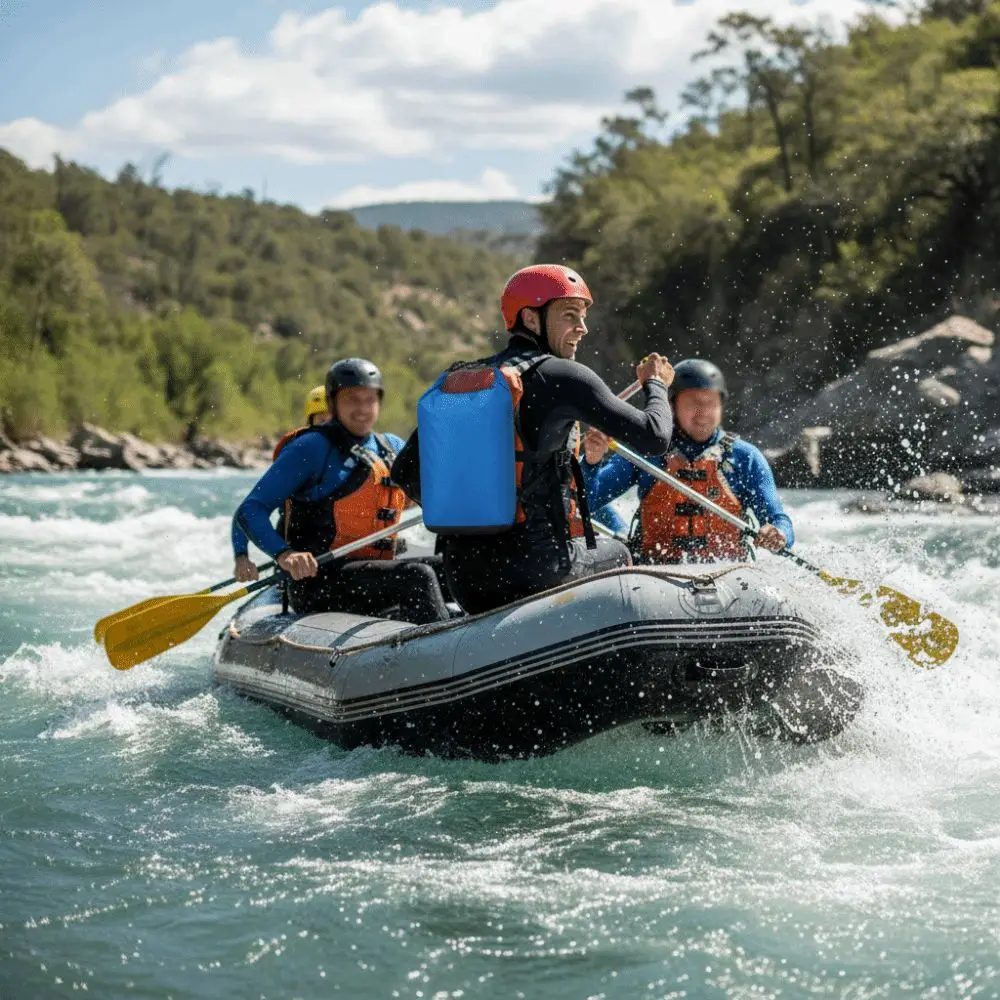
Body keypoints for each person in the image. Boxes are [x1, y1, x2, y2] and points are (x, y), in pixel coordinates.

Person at [392, 263, 675, 614]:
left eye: (584, 316)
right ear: (530, 318)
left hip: (465, 578)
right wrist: (656, 384)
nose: (582, 328)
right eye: (570, 315)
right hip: (539, 570)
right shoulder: (564, 376)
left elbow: (404, 470)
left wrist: (467, 512)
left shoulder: (464, 379)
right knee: (617, 553)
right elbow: (655, 437)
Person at [233, 358, 451, 624]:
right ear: (333, 402)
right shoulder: (311, 448)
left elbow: (436, 492)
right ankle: (449, 656)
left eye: (369, 399)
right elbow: (250, 510)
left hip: (372, 574)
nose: (362, 408)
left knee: (455, 566)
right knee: (417, 576)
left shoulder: (390, 446)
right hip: (318, 582)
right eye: (351, 399)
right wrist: (285, 554)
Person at [582, 358, 794, 563]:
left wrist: (779, 534)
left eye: (710, 403)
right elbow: (586, 504)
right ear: (672, 405)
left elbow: (779, 519)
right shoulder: (648, 451)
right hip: (654, 573)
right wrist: (591, 462)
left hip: (726, 573)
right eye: (693, 402)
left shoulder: (745, 457)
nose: (703, 413)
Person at [232, 385, 329, 583]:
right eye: (322, 418)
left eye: (333, 419)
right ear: (310, 422)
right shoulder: (301, 458)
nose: (328, 425)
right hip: (298, 561)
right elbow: (247, 511)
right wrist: (241, 557)